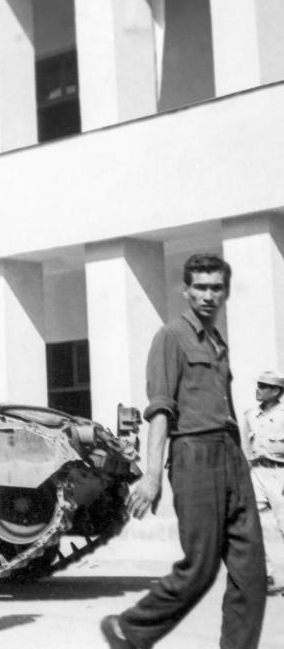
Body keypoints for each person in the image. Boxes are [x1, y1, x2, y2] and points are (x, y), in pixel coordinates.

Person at [100, 254, 265, 649]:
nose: (209, 295)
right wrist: (153, 474)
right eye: (201, 287)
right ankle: (129, 629)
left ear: (225, 291)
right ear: (186, 290)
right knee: (200, 568)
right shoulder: (171, 336)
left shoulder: (217, 342)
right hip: (194, 454)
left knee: (252, 574)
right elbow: (160, 409)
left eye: (216, 287)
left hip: (230, 455)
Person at [242, 369, 284, 595]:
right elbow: (245, 447)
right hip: (257, 472)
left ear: (276, 391)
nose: (257, 389)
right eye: (257, 384)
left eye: (263, 386)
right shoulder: (249, 414)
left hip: (281, 473)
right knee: (248, 524)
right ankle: (265, 575)